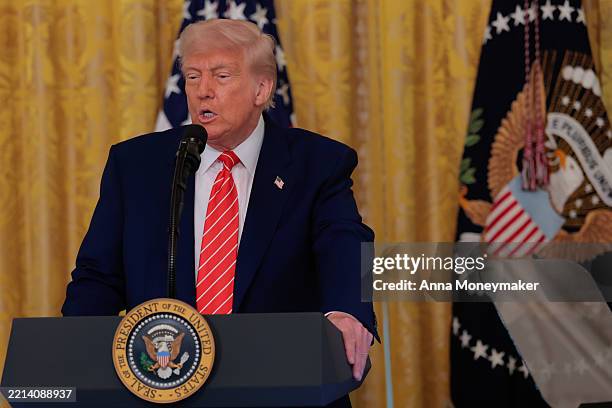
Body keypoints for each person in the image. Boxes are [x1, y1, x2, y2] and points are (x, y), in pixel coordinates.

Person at [62, 19, 377, 406]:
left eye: (221, 76)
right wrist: (73, 357)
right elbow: (98, 276)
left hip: (285, 386)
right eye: (192, 77)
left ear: (262, 88)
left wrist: (346, 311)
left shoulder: (317, 163)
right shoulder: (137, 164)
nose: (202, 92)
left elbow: (345, 242)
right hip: (163, 387)